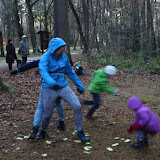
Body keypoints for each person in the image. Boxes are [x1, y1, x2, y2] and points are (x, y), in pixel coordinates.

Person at [37, 37, 89, 143]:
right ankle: (43, 131)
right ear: (55, 48)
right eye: (61, 48)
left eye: (64, 48)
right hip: (49, 88)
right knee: (47, 115)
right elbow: (43, 70)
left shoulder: (64, 57)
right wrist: (51, 82)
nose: (63, 50)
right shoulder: (46, 57)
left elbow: (70, 72)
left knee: (77, 106)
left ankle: (80, 131)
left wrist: (79, 85)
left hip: (63, 87)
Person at [10, 59, 65, 138]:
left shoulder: (46, 58)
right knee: (58, 103)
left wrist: (18, 70)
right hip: (58, 84)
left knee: (40, 107)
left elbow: (31, 64)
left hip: (47, 85)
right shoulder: (60, 59)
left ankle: (35, 129)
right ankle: (61, 122)